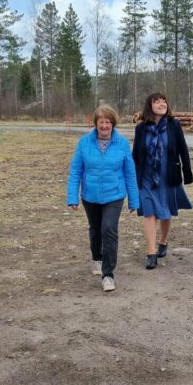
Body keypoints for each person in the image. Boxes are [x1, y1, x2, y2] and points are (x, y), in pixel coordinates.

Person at [66, 105, 140, 292]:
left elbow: (130, 173)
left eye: (108, 122)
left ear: (113, 124)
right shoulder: (84, 143)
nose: (105, 126)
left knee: (109, 229)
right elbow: (76, 170)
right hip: (90, 195)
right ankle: (97, 258)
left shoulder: (122, 144)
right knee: (96, 230)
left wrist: (134, 200)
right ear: (96, 124)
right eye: (101, 122)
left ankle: (108, 275)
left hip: (114, 194)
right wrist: (72, 196)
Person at [132, 93, 193, 269]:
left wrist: (187, 172)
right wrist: (131, 177)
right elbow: (136, 154)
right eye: (157, 101)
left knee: (165, 212)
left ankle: (163, 241)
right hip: (147, 177)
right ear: (149, 106)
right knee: (149, 212)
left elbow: (183, 148)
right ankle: (151, 253)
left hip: (168, 175)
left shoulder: (173, 125)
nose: (162, 103)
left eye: (164, 100)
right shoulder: (141, 128)